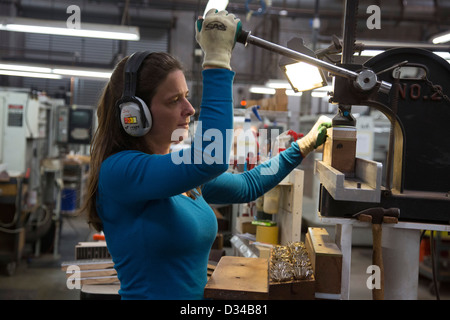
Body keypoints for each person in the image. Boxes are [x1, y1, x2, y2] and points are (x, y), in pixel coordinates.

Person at [82, 9, 331, 300]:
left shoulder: (177, 171)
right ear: (133, 114)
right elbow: (210, 159)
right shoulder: (119, 172)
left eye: (187, 96)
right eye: (174, 100)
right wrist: (216, 63)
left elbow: (247, 185)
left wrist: (301, 147)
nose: (189, 109)